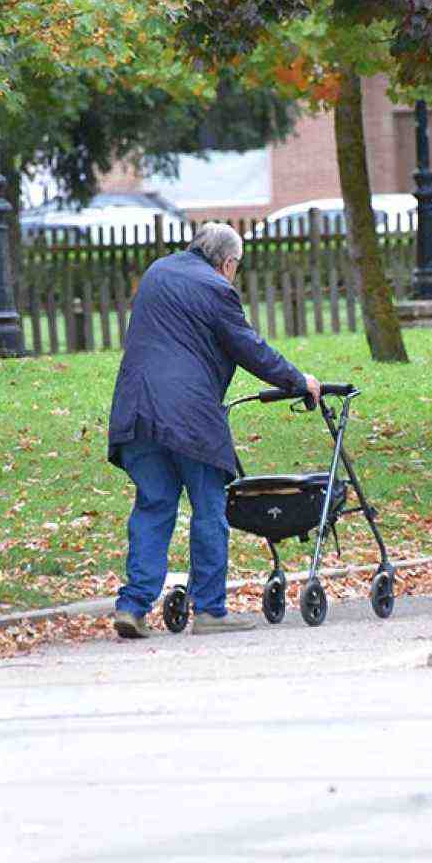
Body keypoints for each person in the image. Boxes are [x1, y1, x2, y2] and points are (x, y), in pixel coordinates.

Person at [107, 223, 320, 638]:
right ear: (227, 263)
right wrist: (299, 381)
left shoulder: (158, 272)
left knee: (153, 506)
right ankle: (209, 610)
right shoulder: (216, 288)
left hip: (136, 409)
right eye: (236, 267)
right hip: (189, 417)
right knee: (209, 509)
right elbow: (249, 348)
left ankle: (132, 606)